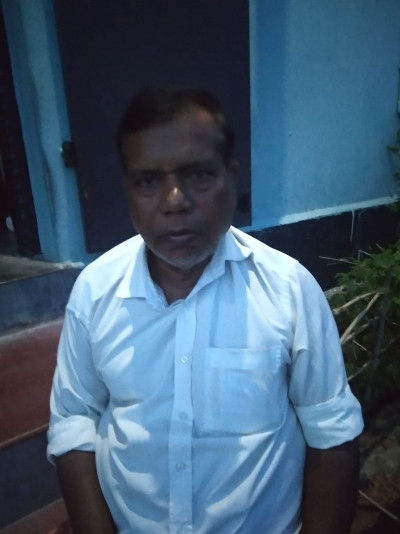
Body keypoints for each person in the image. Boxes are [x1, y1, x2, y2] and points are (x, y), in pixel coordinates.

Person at [47, 85, 364, 534]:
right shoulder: (95, 291)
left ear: (231, 177)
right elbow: (74, 419)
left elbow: (331, 433)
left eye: (198, 175)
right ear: (128, 190)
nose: (174, 201)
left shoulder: (289, 289)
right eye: (148, 181)